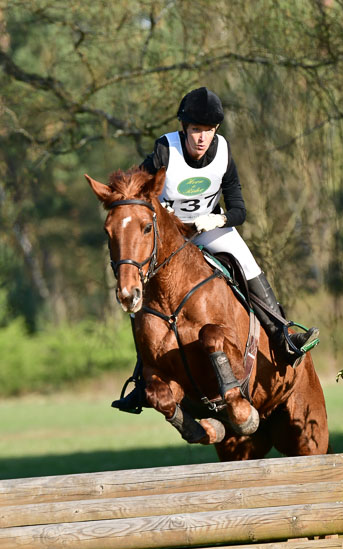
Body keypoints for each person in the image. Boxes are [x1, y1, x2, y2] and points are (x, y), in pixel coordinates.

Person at [114, 87, 318, 413]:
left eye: (207, 131)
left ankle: (282, 336)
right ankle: (143, 377)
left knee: (247, 265)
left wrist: (217, 218)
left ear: (216, 130)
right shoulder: (165, 151)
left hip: (211, 232)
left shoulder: (223, 152)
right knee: (142, 293)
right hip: (169, 243)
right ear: (185, 129)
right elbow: (134, 194)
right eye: (195, 130)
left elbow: (239, 208)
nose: (201, 138)